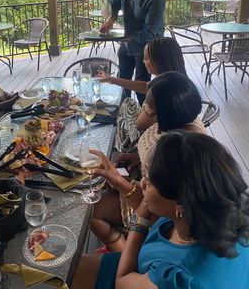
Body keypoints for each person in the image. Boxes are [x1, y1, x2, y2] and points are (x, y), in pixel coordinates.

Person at [72, 132, 249, 289]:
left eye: (149, 179)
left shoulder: (179, 277)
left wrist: (140, 217)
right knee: (72, 270)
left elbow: (122, 282)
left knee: (69, 276)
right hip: (146, 265)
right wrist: (118, 181)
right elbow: (159, 215)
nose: (142, 183)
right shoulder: (214, 209)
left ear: (180, 202)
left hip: (136, 276)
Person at [90, 72, 205, 253]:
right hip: (148, 193)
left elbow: (157, 207)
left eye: (150, 110)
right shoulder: (179, 121)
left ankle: (125, 252)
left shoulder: (179, 149)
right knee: (101, 187)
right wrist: (138, 158)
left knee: (93, 209)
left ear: (164, 113)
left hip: (158, 212)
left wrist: (120, 183)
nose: (146, 112)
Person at [101, 0, 166, 104]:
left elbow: (150, 31)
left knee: (142, 90)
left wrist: (125, 38)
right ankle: (124, 117)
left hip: (148, 46)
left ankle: (146, 124)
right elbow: (114, 1)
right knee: (122, 85)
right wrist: (112, 17)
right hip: (128, 40)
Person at [98, 37, 186, 154]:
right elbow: (145, 86)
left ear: (159, 60)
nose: (143, 62)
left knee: (120, 109)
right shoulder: (176, 81)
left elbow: (140, 125)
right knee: (125, 104)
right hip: (163, 134)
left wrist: (146, 110)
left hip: (149, 142)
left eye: (145, 58)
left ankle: (116, 150)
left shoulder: (162, 91)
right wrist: (112, 79)